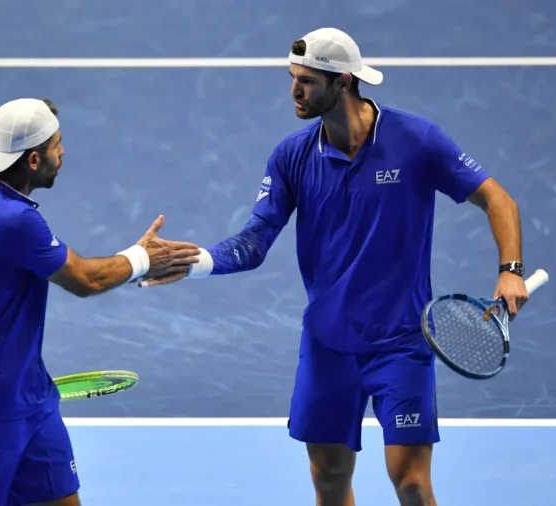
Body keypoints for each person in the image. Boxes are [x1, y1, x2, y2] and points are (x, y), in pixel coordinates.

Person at [139, 28, 529, 505]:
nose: (294, 91)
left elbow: (497, 198)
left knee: (410, 482)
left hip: (401, 342)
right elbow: (255, 240)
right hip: (328, 344)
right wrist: (196, 261)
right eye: (292, 78)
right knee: (328, 479)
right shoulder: (292, 156)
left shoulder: (416, 140)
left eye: (306, 81)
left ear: (343, 82)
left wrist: (510, 267)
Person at [0, 97, 200, 506]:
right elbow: (87, 280)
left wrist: (0, 353)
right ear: (34, 160)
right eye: (57, 145)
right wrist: (145, 258)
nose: (63, 152)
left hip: (32, 400)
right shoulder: (15, 220)